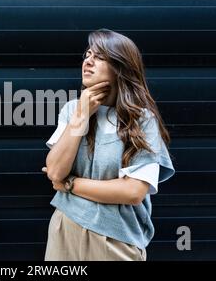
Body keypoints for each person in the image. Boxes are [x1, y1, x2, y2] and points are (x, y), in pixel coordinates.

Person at [42, 28, 175, 261]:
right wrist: (81, 117)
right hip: (65, 229)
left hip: (115, 240)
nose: (88, 62)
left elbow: (132, 192)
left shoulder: (142, 121)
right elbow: (55, 172)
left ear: (120, 68)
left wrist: (71, 185)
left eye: (100, 57)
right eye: (87, 55)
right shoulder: (72, 110)